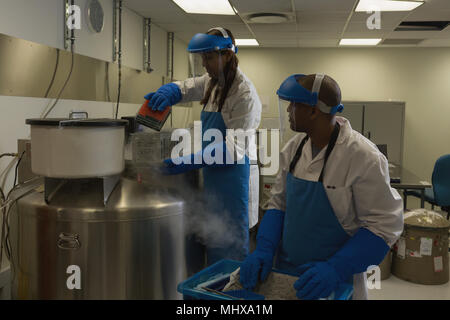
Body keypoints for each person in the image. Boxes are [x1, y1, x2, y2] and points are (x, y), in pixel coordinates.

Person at [240, 73, 403, 300]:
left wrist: (336, 268)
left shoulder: (363, 156)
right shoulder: (294, 148)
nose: (288, 111)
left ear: (313, 110)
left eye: (293, 105)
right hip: (285, 272)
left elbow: (383, 227)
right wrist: (264, 249)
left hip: (334, 280)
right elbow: (278, 204)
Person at [144, 27, 262, 266]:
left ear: (227, 55)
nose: (204, 64)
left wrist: (187, 161)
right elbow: (188, 87)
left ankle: (231, 298)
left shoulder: (244, 93)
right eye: (202, 58)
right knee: (213, 236)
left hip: (233, 179)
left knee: (230, 246)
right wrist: (169, 92)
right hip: (212, 174)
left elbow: (232, 149)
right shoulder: (212, 81)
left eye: (209, 57)